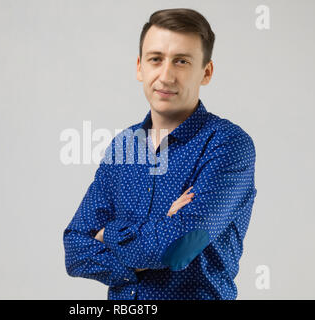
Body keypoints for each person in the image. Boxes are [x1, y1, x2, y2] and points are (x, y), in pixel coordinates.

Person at [63, 8, 257, 300]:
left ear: (206, 72)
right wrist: (159, 232)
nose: (165, 76)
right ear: (140, 67)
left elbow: (180, 247)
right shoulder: (122, 146)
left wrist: (108, 235)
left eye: (181, 61)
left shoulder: (229, 145)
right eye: (156, 59)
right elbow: (75, 250)